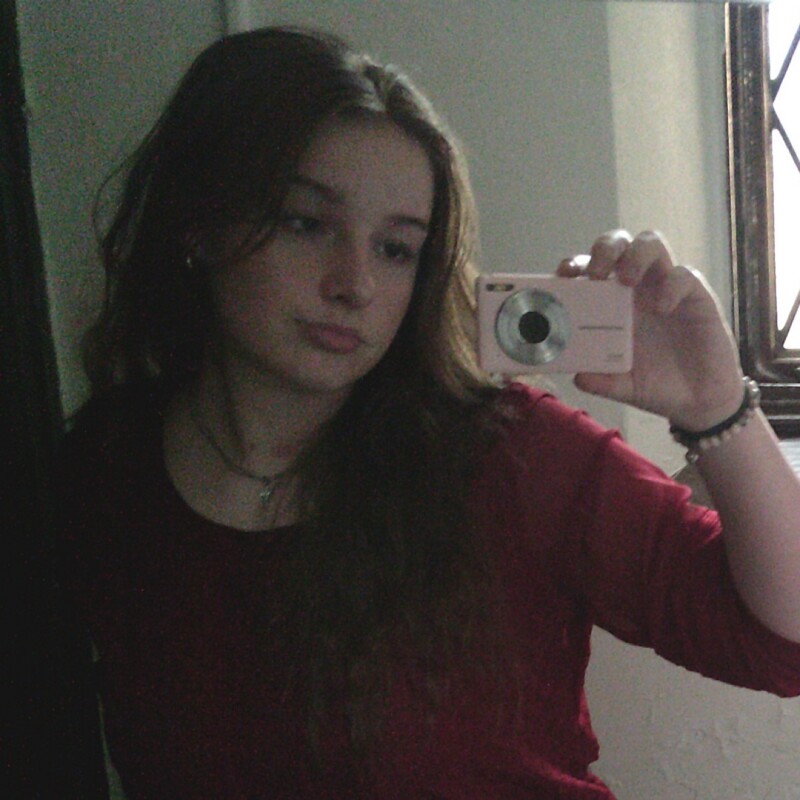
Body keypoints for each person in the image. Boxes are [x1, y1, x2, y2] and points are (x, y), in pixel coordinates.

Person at [57, 25, 800, 800]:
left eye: (396, 249)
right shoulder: (106, 467)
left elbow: (785, 642)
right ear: (201, 224)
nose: (354, 283)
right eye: (306, 223)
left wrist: (715, 405)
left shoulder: (508, 456)